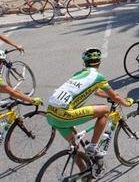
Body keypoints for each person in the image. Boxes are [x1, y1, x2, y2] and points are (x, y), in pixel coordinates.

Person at [46, 48, 133, 176]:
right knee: (104, 111)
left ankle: (84, 173)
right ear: (99, 62)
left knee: (74, 146)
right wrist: (126, 102)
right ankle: (92, 147)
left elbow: (97, 92)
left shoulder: (78, 74)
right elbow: (116, 97)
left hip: (50, 113)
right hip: (65, 114)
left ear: (84, 63)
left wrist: (109, 95)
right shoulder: (98, 77)